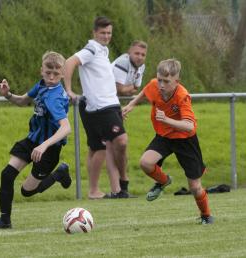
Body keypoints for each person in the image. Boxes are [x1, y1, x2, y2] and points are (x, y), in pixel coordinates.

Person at [122, 59, 214, 224]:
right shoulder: (155, 86)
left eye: (166, 81)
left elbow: (189, 125)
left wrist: (166, 120)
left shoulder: (182, 96)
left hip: (185, 140)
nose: (161, 85)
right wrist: (131, 104)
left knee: (194, 187)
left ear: (176, 81)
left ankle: (206, 215)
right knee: (145, 163)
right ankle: (163, 181)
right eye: (159, 79)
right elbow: (146, 90)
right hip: (164, 137)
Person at [0, 51, 72, 229]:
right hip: (33, 140)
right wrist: (8, 94)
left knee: (27, 191)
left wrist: (44, 145)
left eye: (56, 74)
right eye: (48, 72)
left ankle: (59, 173)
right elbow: (23, 101)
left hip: (48, 149)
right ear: (41, 70)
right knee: (7, 174)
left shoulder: (54, 98)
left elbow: (66, 128)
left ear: (62, 74)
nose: (51, 77)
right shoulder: (41, 85)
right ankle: (4, 220)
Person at [64, 16, 128, 199]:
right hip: (102, 107)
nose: (106, 36)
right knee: (118, 142)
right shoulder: (91, 48)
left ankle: (94, 190)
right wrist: (68, 89)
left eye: (109, 33)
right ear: (94, 33)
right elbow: (69, 62)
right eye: (102, 33)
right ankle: (122, 185)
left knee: (97, 147)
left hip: (105, 104)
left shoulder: (102, 50)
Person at [111, 40, 147, 195]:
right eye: (136, 53)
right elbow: (120, 90)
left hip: (115, 106)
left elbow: (136, 89)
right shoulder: (123, 62)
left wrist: (130, 89)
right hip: (106, 105)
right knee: (112, 145)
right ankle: (117, 189)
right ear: (129, 52)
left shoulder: (141, 66)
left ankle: (120, 188)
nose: (139, 57)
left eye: (143, 55)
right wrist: (130, 89)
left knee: (117, 145)